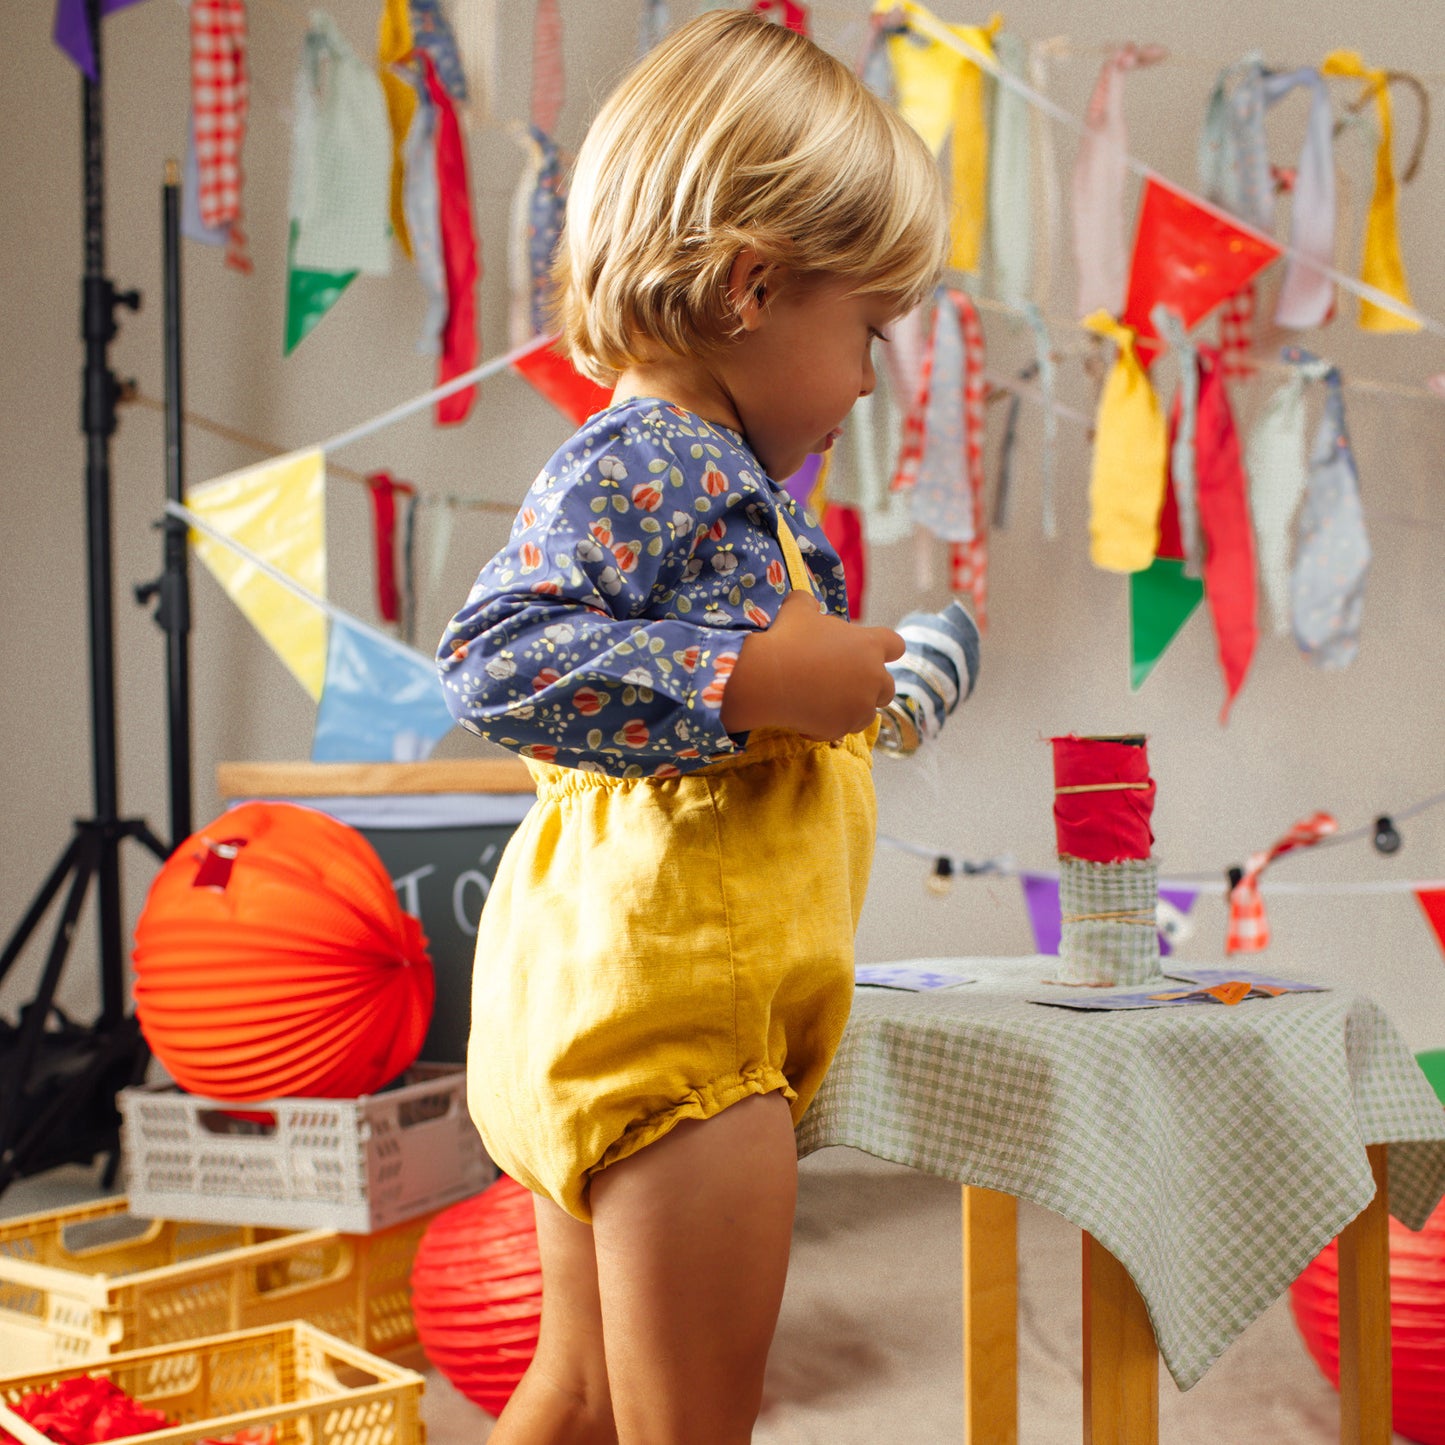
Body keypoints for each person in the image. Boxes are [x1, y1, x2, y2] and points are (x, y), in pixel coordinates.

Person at [437, 11, 946, 1441]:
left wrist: (850, 680)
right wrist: (761, 682)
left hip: (611, 998)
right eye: (867, 330)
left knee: (585, 1394)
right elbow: (494, 656)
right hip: (677, 1029)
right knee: (686, 1419)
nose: (866, 379)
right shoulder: (652, 453)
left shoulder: (706, 477)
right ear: (750, 287)